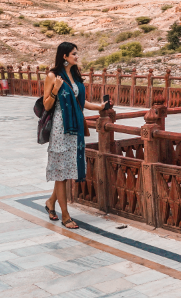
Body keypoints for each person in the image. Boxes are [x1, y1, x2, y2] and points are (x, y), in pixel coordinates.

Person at [42, 41, 107, 229]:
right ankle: (66, 216)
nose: (77, 57)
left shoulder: (74, 76)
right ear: (64, 56)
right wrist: (55, 89)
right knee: (61, 174)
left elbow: (82, 101)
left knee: (66, 171)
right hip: (60, 130)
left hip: (75, 129)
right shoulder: (52, 76)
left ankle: (50, 203)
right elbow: (47, 105)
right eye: (74, 54)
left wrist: (100, 107)